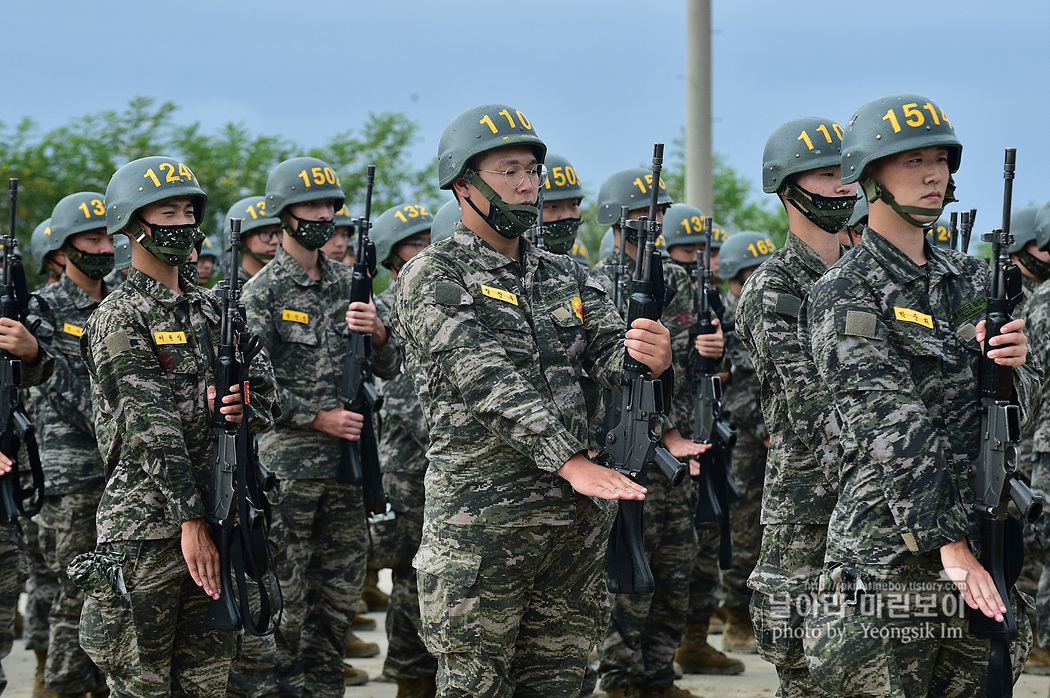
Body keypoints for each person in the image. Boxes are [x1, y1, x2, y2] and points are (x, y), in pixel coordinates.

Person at [394, 103, 671, 697]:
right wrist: (571, 461)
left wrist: (650, 355)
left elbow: (611, 361)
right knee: (476, 684)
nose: (527, 184)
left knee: (562, 684)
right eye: (509, 170)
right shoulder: (433, 275)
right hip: (484, 528)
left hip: (572, 527)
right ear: (463, 184)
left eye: (533, 172)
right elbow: (485, 380)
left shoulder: (566, 275)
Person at [803, 94, 1036, 695]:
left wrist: (1016, 367)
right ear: (867, 173)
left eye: (941, 160)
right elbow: (888, 425)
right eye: (913, 161)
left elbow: (1017, 412)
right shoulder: (847, 290)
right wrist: (950, 546)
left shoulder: (974, 279)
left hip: (983, 536)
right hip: (892, 553)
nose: (935, 175)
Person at [76, 155, 278, 697]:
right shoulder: (120, 316)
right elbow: (149, 428)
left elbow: (270, 399)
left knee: (206, 684)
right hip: (149, 529)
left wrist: (241, 404)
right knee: (142, 684)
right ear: (133, 224)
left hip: (223, 517)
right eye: (168, 212)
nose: (184, 224)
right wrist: (190, 520)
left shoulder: (217, 311)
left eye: (189, 211)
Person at [238, 155, 396, 695]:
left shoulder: (348, 284)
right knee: (283, 595)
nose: (323, 214)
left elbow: (389, 365)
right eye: (311, 205)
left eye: (330, 205)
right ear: (283, 213)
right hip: (289, 471)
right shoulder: (262, 293)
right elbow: (250, 386)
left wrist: (377, 332)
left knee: (341, 594)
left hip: (347, 472)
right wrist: (316, 416)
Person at [736, 115, 856, 697]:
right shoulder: (775, 287)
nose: (843, 186)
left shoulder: (872, 275)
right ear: (788, 189)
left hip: (883, 502)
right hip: (810, 506)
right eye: (826, 175)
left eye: (847, 173)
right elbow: (812, 404)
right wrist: (890, 477)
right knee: (807, 664)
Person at [593, 168, 717, 698]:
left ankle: (658, 675)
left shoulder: (682, 281)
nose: (653, 225)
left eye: (659, 216)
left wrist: (711, 352)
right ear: (616, 221)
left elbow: (688, 365)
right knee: (628, 576)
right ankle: (623, 679)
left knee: (674, 567)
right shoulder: (594, 282)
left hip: (678, 446)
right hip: (624, 448)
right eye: (642, 217)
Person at [28, 191, 115, 697]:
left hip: (123, 475)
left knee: (122, 597)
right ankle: (59, 686)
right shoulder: (44, 308)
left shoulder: (125, 301)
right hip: (73, 475)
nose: (103, 247)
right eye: (91, 238)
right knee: (76, 594)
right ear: (64, 245)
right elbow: (53, 387)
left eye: (109, 236)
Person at [367, 201, 437, 697]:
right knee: (413, 583)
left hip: (449, 466)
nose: (427, 249)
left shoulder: (438, 299)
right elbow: (407, 399)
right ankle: (411, 679)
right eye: (415, 242)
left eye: (430, 239)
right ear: (392, 256)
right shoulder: (388, 311)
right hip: (413, 470)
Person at [711, 231, 777, 655]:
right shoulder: (731, 318)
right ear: (733, 278)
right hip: (746, 440)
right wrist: (766, 429)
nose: (759, 280)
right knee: (743, 527)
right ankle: (737, 614)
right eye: (749, 273)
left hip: (776, 436)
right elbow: (736, 388)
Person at [224, 196, 282, 281]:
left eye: (279, 232)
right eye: (264, 232)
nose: (275, 241)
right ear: (240, 239)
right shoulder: (225, 292)